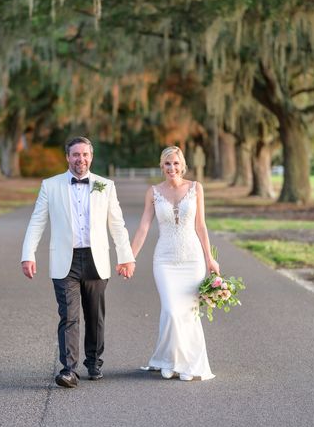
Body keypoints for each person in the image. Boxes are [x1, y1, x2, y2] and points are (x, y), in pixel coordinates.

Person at [21, 137, 135, 388]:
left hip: (96, 259)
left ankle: (93, 362)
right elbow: (37, 221)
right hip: (66, 260)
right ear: (67, 157)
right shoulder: (50, 186)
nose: (80, 159)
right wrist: (28, 253)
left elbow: (117, 224)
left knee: (95, 315)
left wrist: (125, 257)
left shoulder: (105, 185)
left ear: (91, 157)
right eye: (75, 154)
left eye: (84, 154)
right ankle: (68, 370)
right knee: (69, 316)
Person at [131, 146, 218, 381]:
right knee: (171, 310)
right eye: (167, 164)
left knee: (188, 313)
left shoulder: (196, 188)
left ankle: (187, 364)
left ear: (183, 165)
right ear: (162, 166)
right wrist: (130, 257)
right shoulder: (153, 192)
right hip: (165, 260)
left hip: (192, 259)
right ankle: (170, 360)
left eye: (176, 163)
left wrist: (210, 258)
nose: (172, 168)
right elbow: (143, 227)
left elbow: (201, 226)